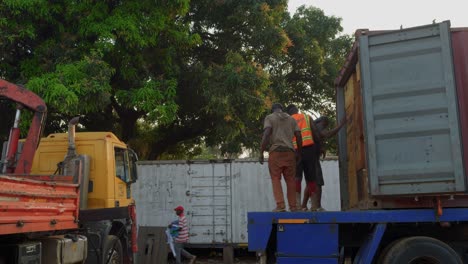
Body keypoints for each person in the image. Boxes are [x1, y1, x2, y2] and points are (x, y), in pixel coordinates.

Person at [260, 103, 302, 212]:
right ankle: (293, 207)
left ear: (273, 110)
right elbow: (298, 135)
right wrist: (299, 153)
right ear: (282, 109)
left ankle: (280, 206)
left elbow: (266, 134)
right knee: (291, 180)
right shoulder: (292, 119)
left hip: (276, 152)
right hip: (290, 152)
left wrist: (261, 152)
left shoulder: (270, 118)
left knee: (275, 179)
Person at [301, 115, 346, 211]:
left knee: (310, 182)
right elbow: (326, 134)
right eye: (325, 125)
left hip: (309, 157)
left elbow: (319, 138)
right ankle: (317, 206)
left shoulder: (312, 130)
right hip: (312, 158)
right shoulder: (318, 126)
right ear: (321, 122)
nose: (325, 128)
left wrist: (320, 147)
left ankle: (304, 206)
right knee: (318, 182)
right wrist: (341, 125)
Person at [285, 104, 320, 211]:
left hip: (295, 151)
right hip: (310, 149)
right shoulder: (306, 117)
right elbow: (315, 133)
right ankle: (314, 205)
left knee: (297, 177)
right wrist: (320, 148)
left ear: (289, 113)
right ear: (297, 110)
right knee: (311, 178)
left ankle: (297, 205)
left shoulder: (288, 120)